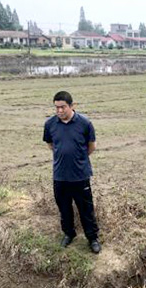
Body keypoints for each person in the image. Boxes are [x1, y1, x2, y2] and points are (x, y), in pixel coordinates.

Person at [43, 91, 101, 254]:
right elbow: (50, 144)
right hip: (60, 175)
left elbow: (91, 146)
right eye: (56, 107)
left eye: (63, 107)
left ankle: (92, 238)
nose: (59, 111)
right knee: (64, 208)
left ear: (72, 106)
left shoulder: (84, 123)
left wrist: (78, 158)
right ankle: (69, 234)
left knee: (86, 209)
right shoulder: (50, 124)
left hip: (80, 175)